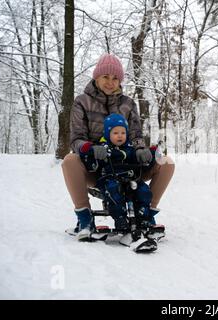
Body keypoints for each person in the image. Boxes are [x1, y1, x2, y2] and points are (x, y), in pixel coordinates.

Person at [61, 53, 175, 241]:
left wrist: (141, 150)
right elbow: (76, 139)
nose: (110, 82)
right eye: (105, 77)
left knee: (166, 162)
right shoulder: (82, 102)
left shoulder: (128, 104)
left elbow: (136, 136)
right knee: (70, 160)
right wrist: (89, 148)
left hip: (127, 165)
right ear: (96, 77)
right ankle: (85, 219)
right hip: (97, 168)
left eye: (115, 78)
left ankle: (146, 216)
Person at [79, 113, 159, 232]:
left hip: (131, 179)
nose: (120, 136)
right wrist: (88, 151)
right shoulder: (103, 149)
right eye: (115, 133)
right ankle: (120, 219)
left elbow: (142, 163)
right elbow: (90, 164)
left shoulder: (131, 150)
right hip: (110, 180)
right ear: (107, 134)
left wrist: (150, 154)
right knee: (114, 191)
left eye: (123, 133)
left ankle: (143, 218)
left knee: (144, 191)